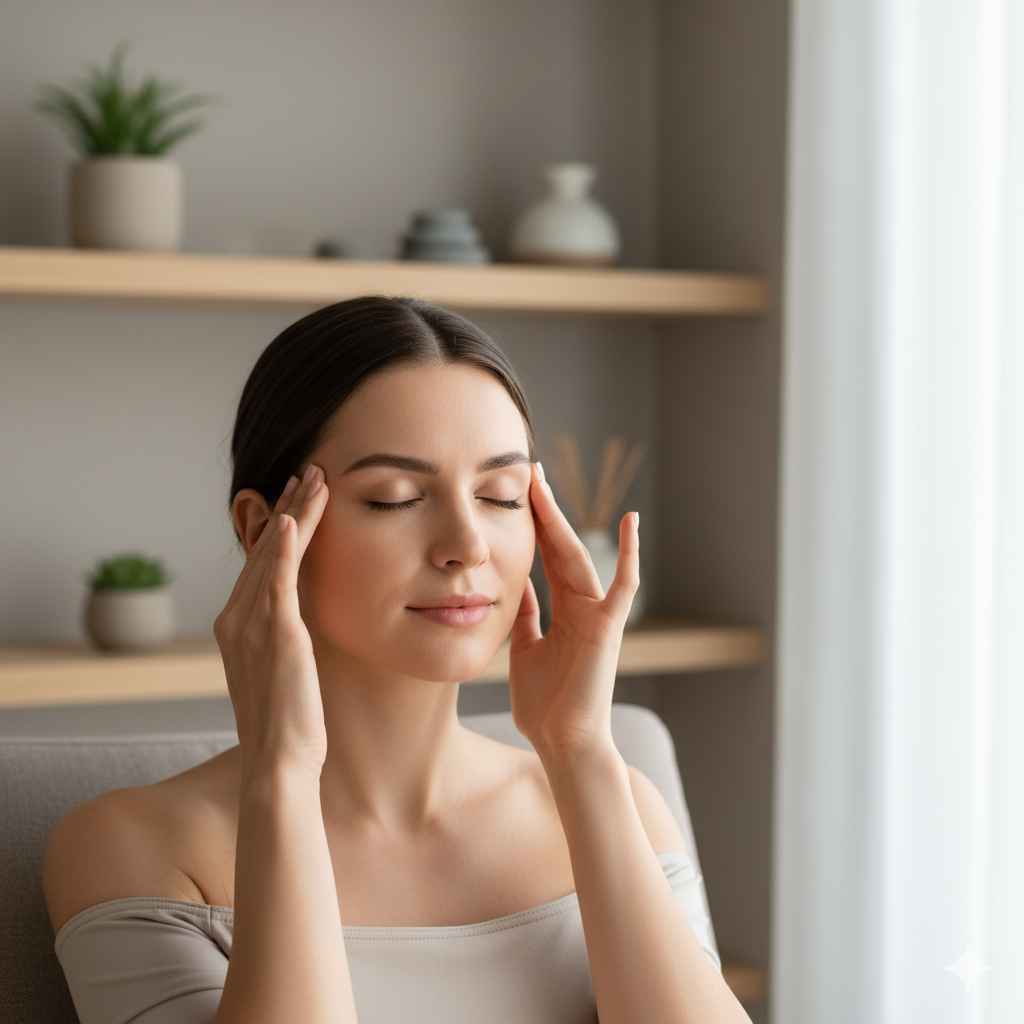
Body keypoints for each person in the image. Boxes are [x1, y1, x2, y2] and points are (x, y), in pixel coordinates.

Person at [43, 296, 721, 1023]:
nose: (467, 545)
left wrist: (579, 751)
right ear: (264, 529)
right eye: (396, 499)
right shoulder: (133, 847)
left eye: (500, 495)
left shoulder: (622, 805)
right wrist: (282, 776)